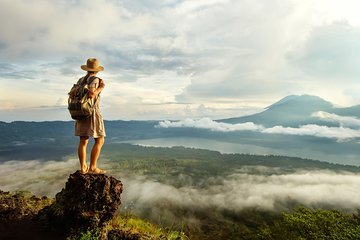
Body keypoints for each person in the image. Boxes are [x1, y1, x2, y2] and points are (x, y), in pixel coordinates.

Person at [75, 58, 106, 174]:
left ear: (87, 69)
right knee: (100, 139)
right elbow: (92, 94)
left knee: (83, 140)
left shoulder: (80, 80)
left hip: (80, 112)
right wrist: (101, 88)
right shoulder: (95, 80)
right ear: (97, 70)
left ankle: (83, 168)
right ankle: (93, 167)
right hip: (91, 112)